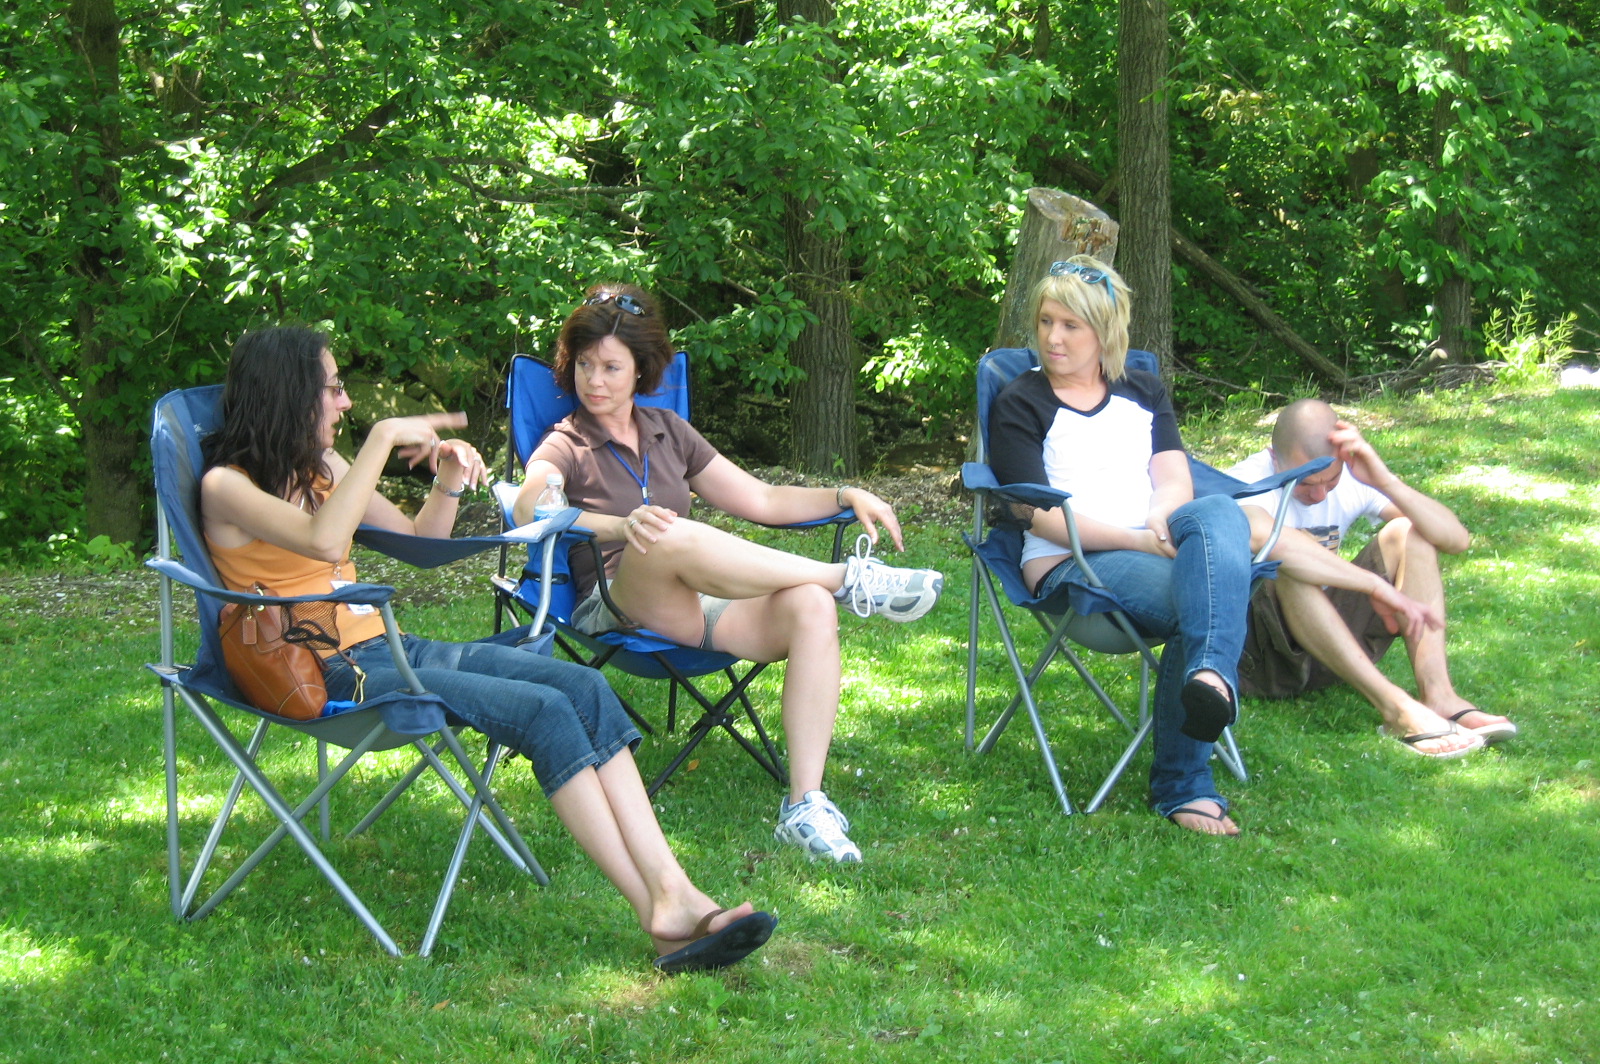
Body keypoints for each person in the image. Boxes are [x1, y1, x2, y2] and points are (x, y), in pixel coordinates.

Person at [198, 325, 776, 973]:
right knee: (543, 711)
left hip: (388, 647)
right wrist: (382, 440)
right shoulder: (226, 486)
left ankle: (676, 890)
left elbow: (422, 544)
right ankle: (659, 910)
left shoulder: (323, 469)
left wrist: (447, 478)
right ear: (288, 393)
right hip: (327, 672)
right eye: (332, 388)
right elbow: (325, 542)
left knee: (583, 685)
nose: (345, 401)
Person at [510, 283, 944, 863]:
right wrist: (620, 525)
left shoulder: (668, 430)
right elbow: (528, 506)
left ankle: (805, 804)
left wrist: (844, 493)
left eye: (611, 367)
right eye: (585, 364)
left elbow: (762, 499)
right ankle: (847, 578)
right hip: (615, 601)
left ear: (641, 370)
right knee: (664, 532)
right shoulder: (567, 441)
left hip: (692, 606)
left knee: (810, 606)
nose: (595, 380)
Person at [986, 257, 1254, 836]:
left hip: (1151, 541)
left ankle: (1208, 677)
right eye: (1045, 322)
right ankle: (1183, 784)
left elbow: (1173, 476)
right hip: (1072, 564)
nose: (1053, 338)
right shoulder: (1020, 402)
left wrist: (1159, 519)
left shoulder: (1143, 390)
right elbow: (1040, 516)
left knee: (1218, 511)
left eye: (1070, 325)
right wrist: (1138, 541)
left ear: (1105, 331)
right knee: (1202, 599)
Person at [1231, 399, 1515, 755]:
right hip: (1257, 661)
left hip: (1326, 647)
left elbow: (1455, 539)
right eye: (1304, 483)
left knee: (1409, 532)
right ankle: (1397, 710)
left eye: (1330, 480)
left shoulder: (1351, 476)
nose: (1319, 494)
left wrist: (1384, 480)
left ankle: (1439, 695)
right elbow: (1268, 539)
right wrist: (1375, 585)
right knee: (1287, 559)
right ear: (1275, 458)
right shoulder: (1245, 481)